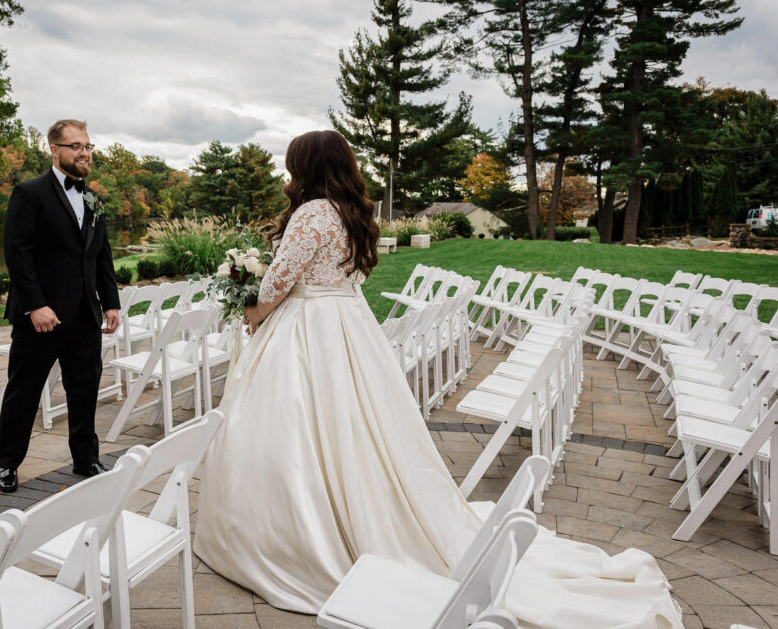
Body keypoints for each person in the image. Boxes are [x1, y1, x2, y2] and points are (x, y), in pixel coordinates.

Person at [193, 130, 682, 627]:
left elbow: (276, 285)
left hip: (306, 334)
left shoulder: (311, 213)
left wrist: (247, 306)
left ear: (305, 167)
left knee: (294, 431)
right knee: (356, 431)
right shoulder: (349, 213)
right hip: (347, 329)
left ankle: (296, 537)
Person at [0, 119, 120, 493]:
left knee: (85, 389)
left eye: (87, 146)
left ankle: (85, 459)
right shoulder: (29, 193)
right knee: (24, 391)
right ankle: (7, 464)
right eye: (76, 146)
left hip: (84, 315)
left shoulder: (94, 198)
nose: (84, 153)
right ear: (54, 150)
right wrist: (35, 306)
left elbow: (101, 256)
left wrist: (110, 301)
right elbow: (18, 254)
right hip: (41, 318)